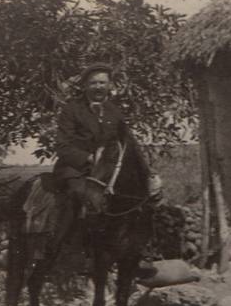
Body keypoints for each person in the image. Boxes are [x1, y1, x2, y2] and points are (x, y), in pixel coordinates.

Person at [52, 63, 154, 208]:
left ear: (110, 85)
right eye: (93, 83)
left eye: (102, 83)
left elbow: (130, 144)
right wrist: (90, 158)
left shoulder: (115, 112)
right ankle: (65, 231)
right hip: (75, 170)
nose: (98, 87)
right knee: (79, 195)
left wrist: (149, 174)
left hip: (108, 172)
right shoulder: (71, 110)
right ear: (85, 86)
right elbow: (62, 146)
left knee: (137, 198)